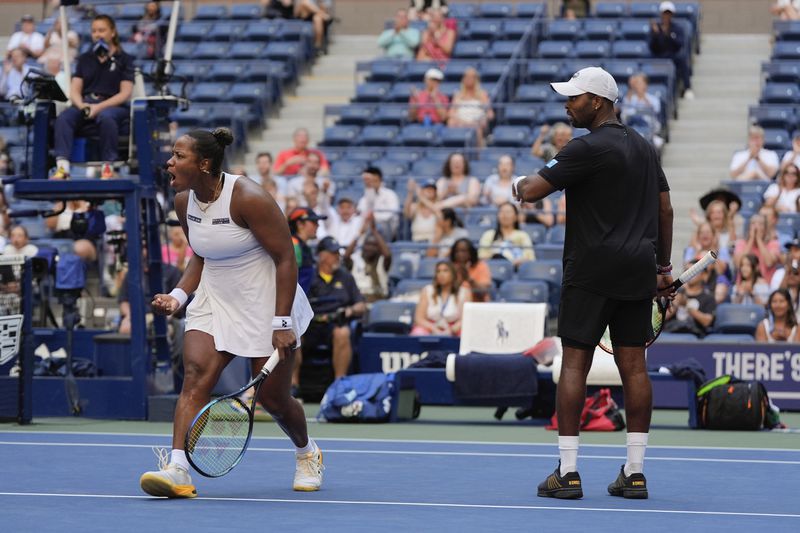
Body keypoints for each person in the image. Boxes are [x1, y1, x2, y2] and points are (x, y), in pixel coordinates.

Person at [513, 66, 674, 500]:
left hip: (590, 271)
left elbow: (531, 191)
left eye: (574, 97)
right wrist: (662, 269)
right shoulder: (644, 148)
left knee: (574, 365)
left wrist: (516, 183)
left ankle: (567, 473)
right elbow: (666, 212)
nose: (567, 104)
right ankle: (635, 473)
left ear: (597, 102)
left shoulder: (583, 148)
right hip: (638, 270)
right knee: (635, 367)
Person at [139, 128, 321, 498]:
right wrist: (178, 295)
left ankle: (307, 452)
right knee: (195, 377)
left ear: (204, 164)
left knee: (274, 400)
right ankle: (177, 468)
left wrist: (283, 322)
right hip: (215, 299)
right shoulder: (182, 202)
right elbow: (202, 254)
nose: (169, 162)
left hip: (267, 300)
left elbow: (286, 258)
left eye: (178, 156)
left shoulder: (249, 197)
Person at [52, 15, 134, 180]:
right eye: (94, 31)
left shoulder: (124, 59)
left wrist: (98, 107)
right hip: (86, 103)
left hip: (113, 106)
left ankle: (107, 168)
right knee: (64, 118)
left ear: (113, 32)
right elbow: (74, 90)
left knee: (106, 117)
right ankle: (63, 168)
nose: (97, 34)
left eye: (102, 30)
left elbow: (125, 93)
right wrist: (82, 106)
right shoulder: (85, 59)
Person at [301, 236, 365, 385]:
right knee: (294, 336)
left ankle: (339, 383)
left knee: (342, 333)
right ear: (322, 255)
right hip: (310, 324)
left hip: (335, 323)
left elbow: (360, 304)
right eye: (333, 253)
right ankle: (293, 386)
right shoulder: (309, 276)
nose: (338, 257)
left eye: (338, 253)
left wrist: (350, 310)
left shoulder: (346, 276)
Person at [411, 260, 470, 335]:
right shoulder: (427, 290)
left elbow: (465, 319)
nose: (441, 274)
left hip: (454, 328)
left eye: (445, 271)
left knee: (465, 334)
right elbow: (419, 318)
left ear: (453, 274)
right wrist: (433, 328)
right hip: (430, 326)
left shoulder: (464, 292)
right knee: (418, 332)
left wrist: (451, 330)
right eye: (438, 271)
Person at [344, 213, 392, 303]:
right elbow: (346, 256)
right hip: (358, 301)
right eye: (367, 245)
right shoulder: (356, 260)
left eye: (374, 245)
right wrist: (360, 233)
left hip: (378, 300)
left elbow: (388, 255)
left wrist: (374, 231)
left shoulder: (382, 261)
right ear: (363, 246)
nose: (370, 248)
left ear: (378, 248)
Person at [649, 2, 693, 99]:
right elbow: (652, 47)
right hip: (658, 56)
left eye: (668, 13)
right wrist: (656, 35)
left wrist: (667, 34)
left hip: (672, 56)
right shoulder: (655, 28)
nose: (666, 16)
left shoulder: (677, 28)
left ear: (672, 14)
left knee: (682, 59)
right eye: (664, 13)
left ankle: (687, 88)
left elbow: (679, 44)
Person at [662, 260, 716, 338]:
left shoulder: (708, 297)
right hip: (670, 334)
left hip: (694, 336)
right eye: (686, 271)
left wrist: (687, 304)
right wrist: (676, 305)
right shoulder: (674, 293)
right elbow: (661, 319)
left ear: (704, 275)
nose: (689, 274)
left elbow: (707, 322)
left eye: (693, 271)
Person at [477, 202, 535, 268]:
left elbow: (530, 259)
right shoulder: (488, 234)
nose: (504, 215)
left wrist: (512, 264)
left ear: (516, 217)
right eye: (501, 212)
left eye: (508, 212)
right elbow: (482, 257)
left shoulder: (523, 235)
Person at [447, 67, 493, 147]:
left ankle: (478, 154)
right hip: (460, 122)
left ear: (476, 79)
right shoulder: (458, 95)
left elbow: (490, 114)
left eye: (471, 77)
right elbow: (451, 113)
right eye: (466, 76)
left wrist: (481, 119)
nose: (468, 79)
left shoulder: (482, 95)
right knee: (450, 122)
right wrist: (461, 122)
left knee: (478, 127)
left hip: (476, 122)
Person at [619, 73, 663, 150]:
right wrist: (631, 88)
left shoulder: (653, 99)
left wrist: (643, 97)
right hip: (632, 126)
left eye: (640, 83)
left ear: (645, 85)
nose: (637, 85)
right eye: (636, 83)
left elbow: (655, 112)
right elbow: (624, 114)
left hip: (648, 127)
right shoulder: (630, 98)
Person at [288, 207, 325, 293]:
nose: (318, 225)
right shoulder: (294, 245)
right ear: (300, 224)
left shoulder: (302, 245)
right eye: (314, 222)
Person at [357, 166, 400, 240]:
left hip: (386, 229)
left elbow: (391, 214)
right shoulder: (364, 199)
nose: (368, 182)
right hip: (367, 228)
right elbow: (361, 214)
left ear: (378, 178)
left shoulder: (390, 194)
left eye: (370, 180)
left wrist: (373, 218)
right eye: (366, 180)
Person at [450, 237, 492, 302]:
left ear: (471, 252)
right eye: (457, 251)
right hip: (455, 304)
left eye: (463, 251)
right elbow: (447, 293)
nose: (460, 254)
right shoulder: (450, 267)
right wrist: (460, 281)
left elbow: (482, 293)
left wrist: (469, 279)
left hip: (477, 304)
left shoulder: (481, 266)